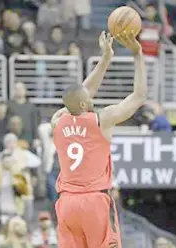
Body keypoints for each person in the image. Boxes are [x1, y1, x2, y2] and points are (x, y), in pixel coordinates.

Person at [51, 31, 147, 248]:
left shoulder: (58, 120)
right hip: (94, 200)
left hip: (66, 204)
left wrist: (105, 58)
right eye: (89, 99)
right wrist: (138, 54)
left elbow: (81, 93)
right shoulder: (102, 119)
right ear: (85, 104)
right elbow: (139, 96)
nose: (91, 97)